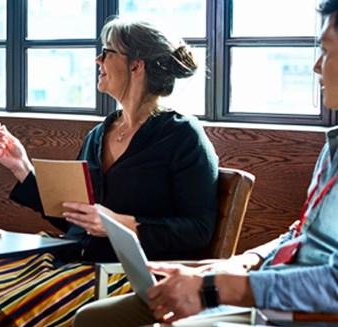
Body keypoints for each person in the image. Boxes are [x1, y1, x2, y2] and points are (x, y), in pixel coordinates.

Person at [0, 18, 218, 327]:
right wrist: (22, 167)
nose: (98, 60)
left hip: (122, 276)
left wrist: (121, 225)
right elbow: (73, 216)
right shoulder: (99, 134)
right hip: (73, 260)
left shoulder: (183, 137)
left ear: (136, 66)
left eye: (107, 52)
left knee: (2, 316)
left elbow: (198, 229)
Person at [73, 2, 338, 326]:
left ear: (137, 66)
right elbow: (302, 235)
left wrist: (214, 287)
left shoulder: (180, 135)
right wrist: (240, 263)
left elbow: (332, 283)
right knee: (92, 319)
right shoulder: (331, 151)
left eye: (325, 50)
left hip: (290, 310)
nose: (315, 67)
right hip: (259, 287)